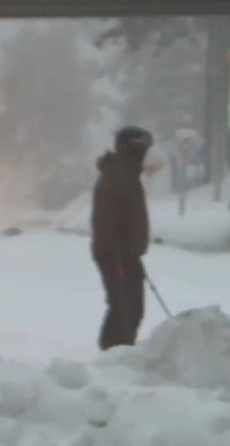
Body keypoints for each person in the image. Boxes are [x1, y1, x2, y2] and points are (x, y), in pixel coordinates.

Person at [91, 125, 154, 350]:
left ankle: (121, 352)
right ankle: (113, 354)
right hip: (115, 254)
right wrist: (118, 252)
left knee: (132, 307)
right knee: (123, 307)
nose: (144, 155)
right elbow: (106, 220)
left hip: (127, 254)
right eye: (141, 149)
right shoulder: (116, 176)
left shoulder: (127, 175)